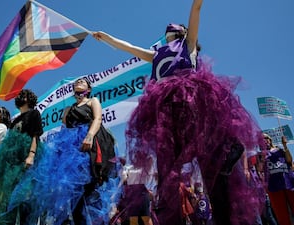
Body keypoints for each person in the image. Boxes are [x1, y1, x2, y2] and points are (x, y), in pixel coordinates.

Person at [93, 0, 264, 224]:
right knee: (168, 171)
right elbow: (129, 48)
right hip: (166, 113)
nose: (170, 32)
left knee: (211, 161)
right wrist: (106, 38)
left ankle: (227, 155)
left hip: (192, 106)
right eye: (168, 31)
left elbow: (196, 10)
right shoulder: (155, 54)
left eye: (174, 30)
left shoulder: (189, 45)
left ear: (182, 32)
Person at [7, 78, 120, 225]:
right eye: (77, 82)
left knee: (91, 188)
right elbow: (64, 130)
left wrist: (90, 135)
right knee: (73, 196)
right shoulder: (68, 109)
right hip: (72, 151)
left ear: (89, 88)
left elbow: (98, 119)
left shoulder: (93, 101)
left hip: (90, 144)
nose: (79, 82)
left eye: (83, 82)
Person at [0, 89, 43, 225]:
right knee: (8, 200)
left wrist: (31, 155)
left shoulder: (34, 113)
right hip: (11, 161)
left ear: (28, 99)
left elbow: (36, 134)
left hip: (25, 156)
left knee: (24, 197)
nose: (19, 97)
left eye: (23, 95)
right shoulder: (15, 119)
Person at [263, 134, 294, 225]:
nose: (265, 140)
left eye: (266, 138)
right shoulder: (261, 154)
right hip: (273, 186)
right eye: (262, 139)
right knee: (281, 213)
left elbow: (289, 160)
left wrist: (285, 145)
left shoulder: (280, 150)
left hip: (288, 182)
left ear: (270, 139)